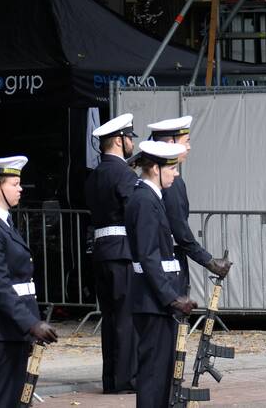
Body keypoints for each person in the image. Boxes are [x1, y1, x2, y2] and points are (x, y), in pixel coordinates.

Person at [0, 156, 58, 407]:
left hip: (9, 329)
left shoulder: (2, 222)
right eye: (14, 183)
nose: (20, 189)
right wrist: (31, 323)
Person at [125, 140, 196, 408]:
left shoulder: (150, 198)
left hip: (156, 299)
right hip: (153, 301)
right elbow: (148, 255)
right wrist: (171, 298)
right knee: (154, 375)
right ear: (155, 168)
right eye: (172, 168)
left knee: (162, 373)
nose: (176, 174)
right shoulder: (144, 200)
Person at [85, 113, 139, 394]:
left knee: (110, 318)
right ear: (118, 140)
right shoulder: (124, 174)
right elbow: (133, 212)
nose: (131, 142)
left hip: (102, 252)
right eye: (129, 137)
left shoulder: (95, 174)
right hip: (122, 252)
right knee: (126, 317)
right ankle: (125, 379)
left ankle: (111, 379)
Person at [148, 116, 231, 296]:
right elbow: (180, 230)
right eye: (186, 142)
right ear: (171, 143)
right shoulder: (171, 182)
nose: (189, 147)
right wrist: (210, 262)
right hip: (168, 261)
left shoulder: (151, 179)